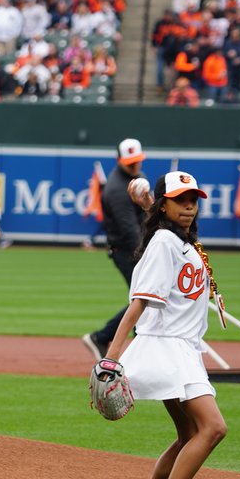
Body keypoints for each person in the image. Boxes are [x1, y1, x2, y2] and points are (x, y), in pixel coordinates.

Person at [104, 171, 228, 479]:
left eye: (193, 198)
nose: (190, 205)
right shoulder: (163, 241)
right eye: (180, 199)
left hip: (183, 348)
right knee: (213, 429)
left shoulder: (176, 238)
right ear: (165, 204)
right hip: (168, 348)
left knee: (189, 436)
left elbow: (181, 242)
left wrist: (151, 208)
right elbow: (139, 301)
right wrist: (111, 357)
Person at [83, 138, 147, 361]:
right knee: (144, 301)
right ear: (119, 160)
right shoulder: (117, 190)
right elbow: (131, 232)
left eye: (137, 161)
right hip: (128, 252)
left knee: (144, 301)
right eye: (130, 162)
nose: (134, 165)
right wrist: (149, 256)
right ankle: (114, 342)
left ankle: (103, 338)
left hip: (135, 249)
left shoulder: (136, 179)